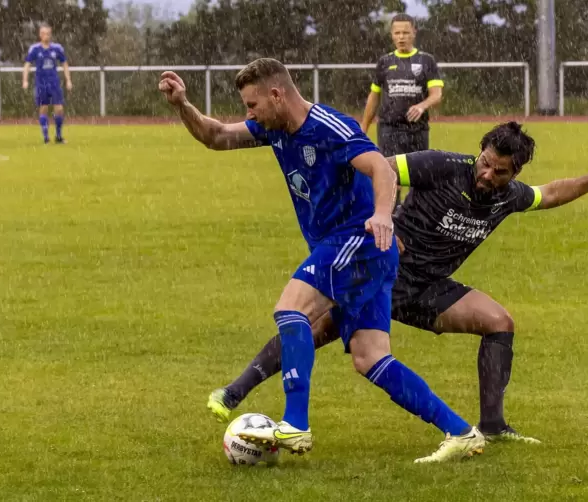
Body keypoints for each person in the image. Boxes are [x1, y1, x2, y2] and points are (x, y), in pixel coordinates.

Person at [210, 123, 588, 444]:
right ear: (480, 153)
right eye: (485, 162)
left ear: (514, 172)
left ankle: (492, 426)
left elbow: (553, 193)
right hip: (384, 273)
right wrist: (383, 223)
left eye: (499, 171)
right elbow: (382, 170)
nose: (486, 174)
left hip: (429, 288)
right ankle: (234, 392)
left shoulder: (510, 197)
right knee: (315, 327)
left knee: (499, 321)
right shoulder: (443, 165)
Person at [158, 58, 485, 463]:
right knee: (370, 358)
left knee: (290, 308)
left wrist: (383, 215)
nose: (249, 114)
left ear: (277, 95)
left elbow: (380, 167)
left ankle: (295, 423)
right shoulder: (273, 127)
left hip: (356, 241)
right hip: (363, 254)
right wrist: (182, 106)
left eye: (252, 105)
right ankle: (460, 431)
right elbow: (217, 136)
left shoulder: (330, 127)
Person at [360, 13, 444, 209]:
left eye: (405, 32)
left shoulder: (426, 61)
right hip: (389, 129)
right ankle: (390, 217)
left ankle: (416, 216)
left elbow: (437, 94)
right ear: (391, 34)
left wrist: (422, 105)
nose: (401, 37)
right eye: (397, 33)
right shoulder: (385, 62)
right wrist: (363, 127)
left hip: (417, 129)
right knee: (390, 175)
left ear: (414, 32)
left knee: (420, 176)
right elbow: (374, 97)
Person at [22, 24, 72, 144]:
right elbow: (27, 64)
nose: (46, 36)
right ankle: (46, 137)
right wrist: (25, 80)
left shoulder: (57, 48)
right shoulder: (35, 49)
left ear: (51, 34)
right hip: (41, 83)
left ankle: (58, 136)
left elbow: (64, 64)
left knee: (59, 109)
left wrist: (68, 80)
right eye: (44, 33)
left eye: (48, 34)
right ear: (40, 35)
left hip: (54, 83)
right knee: (43, 108)